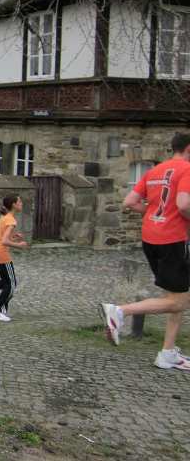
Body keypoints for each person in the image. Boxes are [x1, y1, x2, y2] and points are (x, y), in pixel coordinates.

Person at [102, 133, 190, 371]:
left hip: (150, 238)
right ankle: (120, 311)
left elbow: (129, 201)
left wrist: (153, 214)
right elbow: (184, 204)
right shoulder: (187, 169)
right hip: (173, 239)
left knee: (177, 296)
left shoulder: (154, 171)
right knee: (178, 301)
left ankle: (168, 353)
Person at [0, 194, 28, 322]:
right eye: (19, 202)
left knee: (6, 283)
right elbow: (4, 241)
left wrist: (14, 237)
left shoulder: (5, 217)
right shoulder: (11, 220)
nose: (21, 204)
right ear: (14, 205)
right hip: (2, 254)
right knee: (11, 284)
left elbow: (0, 237)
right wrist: (19, 245)